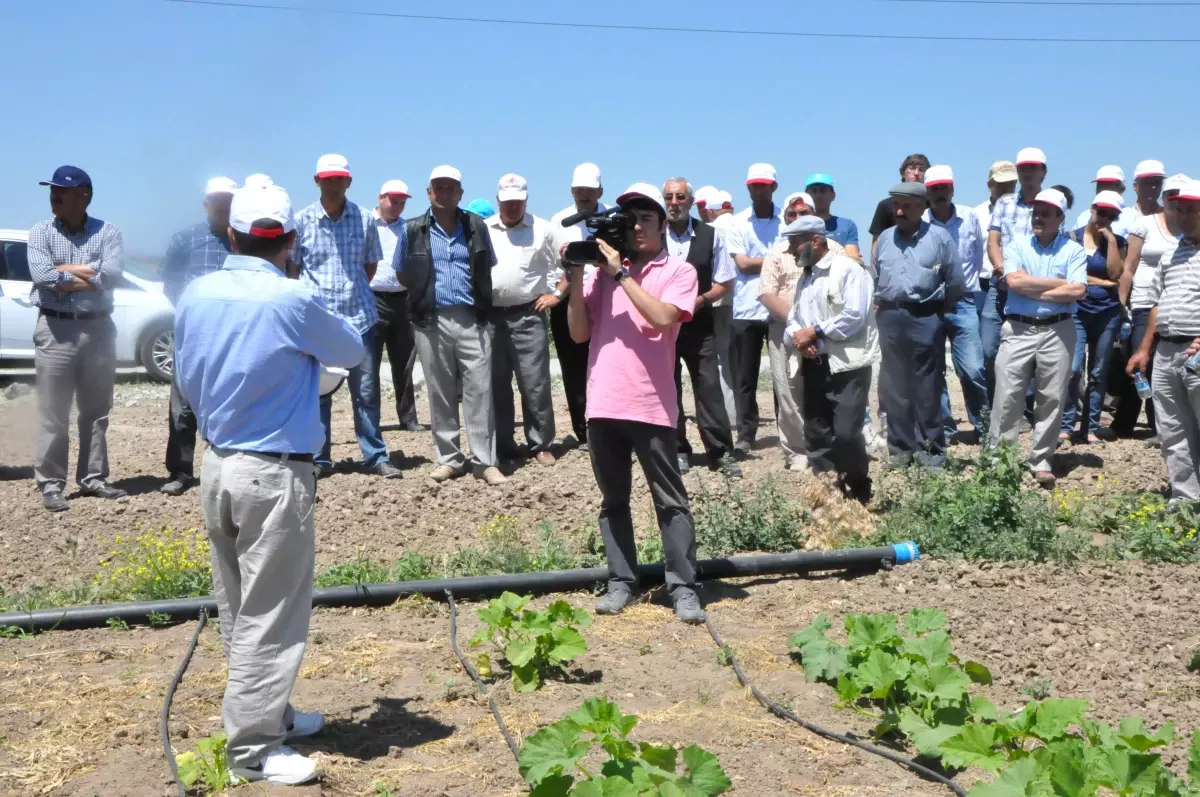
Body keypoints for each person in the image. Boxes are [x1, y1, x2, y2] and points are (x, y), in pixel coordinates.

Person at [175, 181, 364, 786]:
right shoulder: (291, 299)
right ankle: (253, 749)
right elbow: (351, 351)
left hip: (218, 463)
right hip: (274, 472)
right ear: (289, 239)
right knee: (273, 614)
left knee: (237, 606)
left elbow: (184, 375)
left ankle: (270, 713)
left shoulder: (197, 292)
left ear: (231, 234)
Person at [566, 182, 704, 624]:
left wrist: (622, 276)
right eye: (630, 219)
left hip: (651, 405)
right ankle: (622, 581)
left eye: (646, 217)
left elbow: (664, 318)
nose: (637, 226)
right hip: (604, 403)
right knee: (613, 500)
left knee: (671, 501)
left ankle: (683, 586)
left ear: (664, 225)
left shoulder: (678, 271)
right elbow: (578, 333)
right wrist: (575, 272)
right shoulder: (601, 275)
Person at [395, 165, 506, 485]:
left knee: (480, 391)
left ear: (460, 193)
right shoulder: (413, 229)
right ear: (429, 192)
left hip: (473, 318)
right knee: (440, 392)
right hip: (430, 320)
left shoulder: (476, 226)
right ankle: (450, 459)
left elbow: (487, 265)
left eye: (450, 187)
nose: (444, 192)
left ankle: (485, 461)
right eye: (438, 187)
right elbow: (402, 272)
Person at [293, 154, 399, 478]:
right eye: (328, 178)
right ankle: (319, 458)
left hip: (359, 318)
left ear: (348, 182)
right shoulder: (301, 221)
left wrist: (351, 293)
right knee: (320, 391)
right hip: (319, 322)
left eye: (339, 178)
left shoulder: (365, 219)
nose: (334, 184)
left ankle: (375, 455)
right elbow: (295, 269)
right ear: (317, 181)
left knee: (365, 391)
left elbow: (369, 266)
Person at [28, 166, 127, 513]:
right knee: (53, 411)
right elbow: (41, 275)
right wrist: (90, 272)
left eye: (62, 191)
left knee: (97, 411)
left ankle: (94, 478)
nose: (54, 196)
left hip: (98, 330)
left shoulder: (107, 232)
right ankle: (52, 484)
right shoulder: (41, 232)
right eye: (52, 190)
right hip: (56, 330)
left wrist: (63, 270)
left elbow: (113, 275)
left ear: (84, 196)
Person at [988, 188, 1086, 489]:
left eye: (1046, 213)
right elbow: (1013, 282)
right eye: (1036, 212)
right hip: (1018, 329)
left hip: (1058, 329)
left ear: (1060, 217)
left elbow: (1078, 291)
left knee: (1052, 397)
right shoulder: (1017, 245)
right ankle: (998, 460)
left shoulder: (1074, 251)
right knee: (1007, 395)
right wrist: (1057, 284)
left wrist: (1034, 288)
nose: (1039, 217)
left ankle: (1041, 460)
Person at [784, 215, 879, 503]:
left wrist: (815, 333)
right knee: (817, 435)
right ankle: (828, 498)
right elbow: (793, 320)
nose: (790, 250)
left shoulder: (849, 270)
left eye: (794, 244)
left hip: (848, 366)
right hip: (814, 366)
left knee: (847, 434)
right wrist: (799, 338)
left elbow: (854, 316)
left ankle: (859, 486)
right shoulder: (806, 278)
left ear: (815, 241)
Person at [873, 182, 964, 468]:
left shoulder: (939, 238)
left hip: (926, 317)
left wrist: (937, 312)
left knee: (927, 388)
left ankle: (932, 453)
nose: (900, 210)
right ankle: (901, 452)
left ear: (923, 207)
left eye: (907, 205)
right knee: (894, 387)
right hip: (889, 317)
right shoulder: (885, 238)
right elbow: (875, 276)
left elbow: (955, 282)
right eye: (897, 204)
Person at [159, 177, 237, 496]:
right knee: (184, 405)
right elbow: (170, 281)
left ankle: (228, 469)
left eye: (228, 201)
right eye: (216, 201)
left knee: (231, 401)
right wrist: (191, 312)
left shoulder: (242, 241)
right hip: (192, 335)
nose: (222, 206)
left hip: (232, 336)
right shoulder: (185, 239)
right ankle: (180, 471)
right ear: (206, 204)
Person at [1126, 180, 1200, 502]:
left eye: (1192, 209)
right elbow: (1157, 300)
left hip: (1196, 350)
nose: (1183, 215)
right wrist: (1145, 348)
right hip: (1167, 351)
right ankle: (1186, 502)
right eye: (1179, 209)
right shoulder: (1173, 252)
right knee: (1173, 432)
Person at [661, 178, 740, 477]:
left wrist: (701, 301)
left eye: (680, 197)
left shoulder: (710, 234)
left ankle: (721, 453)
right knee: (669, 389)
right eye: (669, 197)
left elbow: (725, 282)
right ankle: (678, 450)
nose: (674, 202)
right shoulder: (655, 235)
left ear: (691, 202)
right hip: (665, 327)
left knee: (708, 389)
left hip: (700, 324)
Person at [486, 173, 559, 465]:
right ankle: (503, 444)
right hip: (491, 318)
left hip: (529, 315)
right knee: (497, 383)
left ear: (526, 199)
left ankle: (540, 444)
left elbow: (565, 264)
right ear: (498, 200)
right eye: (507, 202)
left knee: (535, 383)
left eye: (517, 202)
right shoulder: (484, 228)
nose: (512, 207)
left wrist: (558, 294)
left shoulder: (543, 229)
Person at [1113, 170, 1187, 439]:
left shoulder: (1190, 227)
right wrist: (1122, 303)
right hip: (1144, 301)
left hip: (1174, 302)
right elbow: (1129, 267)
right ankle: (1123, 424)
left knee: (1164, 364)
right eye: (1171, 195)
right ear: (1164, 196)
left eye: (1180, 197)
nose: (1175, 200)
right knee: (1139, 361)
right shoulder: (1145, 224)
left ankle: (1161, 427)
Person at [922, 165, 988, 442]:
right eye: (934, 189)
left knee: (973, 368)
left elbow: (977, 256)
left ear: (952, 189)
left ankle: (983, 426)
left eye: (944, 188)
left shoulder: (969, 216)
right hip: (930, 305)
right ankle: (944, 429)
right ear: (927, 192)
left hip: (964, 302)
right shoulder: (920, 222)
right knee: (934, 372)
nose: (940, 193)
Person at [1060, 191, 1127, 444]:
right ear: (1092, 209)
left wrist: (1109, 241)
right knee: (1073, 368)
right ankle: (1066, 424)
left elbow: (1116, 274)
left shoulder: (1117, 241)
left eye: (1111, 216)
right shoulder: (1071, 238)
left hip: (1106, 312)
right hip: (1077, 310)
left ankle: (1090, 427)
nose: (1104, 218)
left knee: (1099, 371)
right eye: (1101, 212)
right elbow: (1069, 277)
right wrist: (1101, 282)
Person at [984, 147, 1049, 404]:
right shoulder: (1004, 203)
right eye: (1023, 168)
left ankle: (1026, 407)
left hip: (1034, 292)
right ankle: (998, 407)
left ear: (1043, 172)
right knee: (988, 348)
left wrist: (1028, 281)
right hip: (1000, 286)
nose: (1028, 172)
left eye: (1033, 167)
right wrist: (1005, 269)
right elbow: (993, 242)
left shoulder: (1052, 204)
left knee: (1032, 352)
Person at [549, 163, 605, 451]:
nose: (584, 195)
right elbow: (552, 267)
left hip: (606, 299)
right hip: (570, 301)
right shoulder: (558, 222)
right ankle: (583, 432)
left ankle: (608, 426)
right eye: (579, 190)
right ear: (572, 191)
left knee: (606, 364)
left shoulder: (613, 219)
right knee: (573, 367)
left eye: (589, 191)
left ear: (600, 191)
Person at [728, 163, 784, 455]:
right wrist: (776, 260)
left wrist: (760, 261)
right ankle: (746, 434)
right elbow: (742, 264)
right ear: (748, 187)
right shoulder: (737, 223)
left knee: (782, 375)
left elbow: (793, 259)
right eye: (754, 185)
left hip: (779, 308)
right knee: (745, 378)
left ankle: (786, 430)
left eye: (764, 185)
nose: (758, 190)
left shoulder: (786, 222)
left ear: (774, 187)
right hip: (746, 309)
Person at [369, 179, 422, 433]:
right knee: (369, 363)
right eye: (393, 200)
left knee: (405, 362)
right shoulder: (365, 224)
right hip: (372, 299)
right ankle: (371, 419)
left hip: (403, 300)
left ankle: (408, 417)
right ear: (381, 198)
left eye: (402, 202)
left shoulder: (409, 229)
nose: (398, 206)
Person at [704, 189, 741, 426]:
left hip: (719, 299)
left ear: (710, 210)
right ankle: (742, 411)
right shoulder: (741, 224)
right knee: (738, 358)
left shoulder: (712, 230)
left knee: (721, 358)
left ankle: (729, 415)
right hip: (744, 302)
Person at [972, 161, 1017, 318]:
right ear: (990, 185)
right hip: (982, 287)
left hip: (1016, 285)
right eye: (1002, 184)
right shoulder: (976, 214)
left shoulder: (1029, 212)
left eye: (1011, 183)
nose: (1008, 189)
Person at [869, 154, 930, 261]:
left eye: (921, 170)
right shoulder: (885, 206)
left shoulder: (932, 205)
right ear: (903, 173)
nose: (916, 173)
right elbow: (876, 246)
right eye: (911, 168)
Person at [803, 173, 862, 261]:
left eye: (823, 191)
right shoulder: (800, 226)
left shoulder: (847, 225)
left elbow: (852, 259)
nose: (818, 196)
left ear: (833, 195)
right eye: (814, 191)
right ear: (806, 196)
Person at [1073, 166, 1139, 237]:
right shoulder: (1083, 217)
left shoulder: (1133, 217)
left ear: (1122, 188)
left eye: (1109, 185)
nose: (1103, 189)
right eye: (1100, 184)